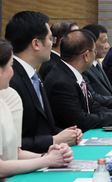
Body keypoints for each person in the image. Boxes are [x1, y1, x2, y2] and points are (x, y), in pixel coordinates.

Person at [5, 11, 82, 153]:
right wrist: (54, 140)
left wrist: (68, 134)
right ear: (36, 44)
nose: (52, 44)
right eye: (50, 39)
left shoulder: (34, 74)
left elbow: (45, 127)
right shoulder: (9, 80)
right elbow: (11, 145)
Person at [0, 39, 73, 179]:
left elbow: (15, 154)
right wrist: (46, 160)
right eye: (10, 66)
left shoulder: (3, 101)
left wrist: (48, 155)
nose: (13, 72)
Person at [44, 30, 112, 132]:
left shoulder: (72, 73)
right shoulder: (61, 82)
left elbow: (92, 106)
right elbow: (80, 120)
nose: (95, 55)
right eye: (94, 51)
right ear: (86, 55)